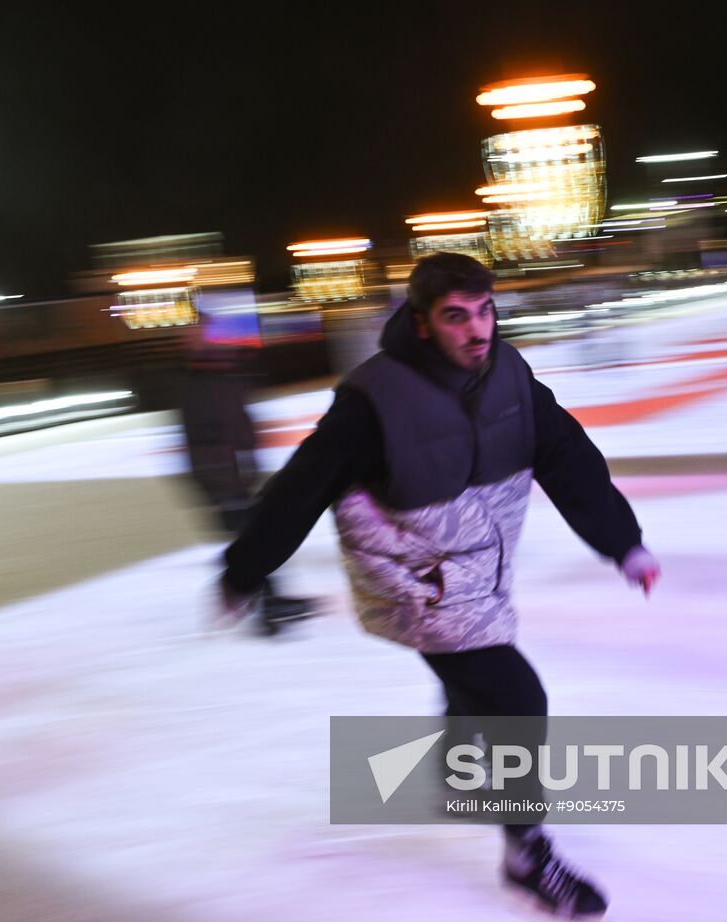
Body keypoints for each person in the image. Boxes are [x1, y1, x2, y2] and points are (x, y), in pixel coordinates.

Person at [218, 252, 660, 917]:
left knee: (473, 677)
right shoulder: (373, 400)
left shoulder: (509, 374)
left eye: (485, 311)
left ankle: (460, 771)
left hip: (475, 568)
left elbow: (566, 456)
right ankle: (525, 853)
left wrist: (621, 541)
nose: (478, 330)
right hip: (414, 579)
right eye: (457, 317)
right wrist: (245, 570)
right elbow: (301, 487)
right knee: (516, 699)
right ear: (421, 324)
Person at [179, 322, 314, 635]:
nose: (201, 340)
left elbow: (241, 420)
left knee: (257, 536)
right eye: (193, 337)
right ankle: (263, 602)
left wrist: (249, 456)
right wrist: (216, 480)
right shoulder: (196, 385)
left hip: (240, 471)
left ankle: (264, 601)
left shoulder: (223, 373)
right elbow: (198, 439)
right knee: (254, 538)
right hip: (222, 476)